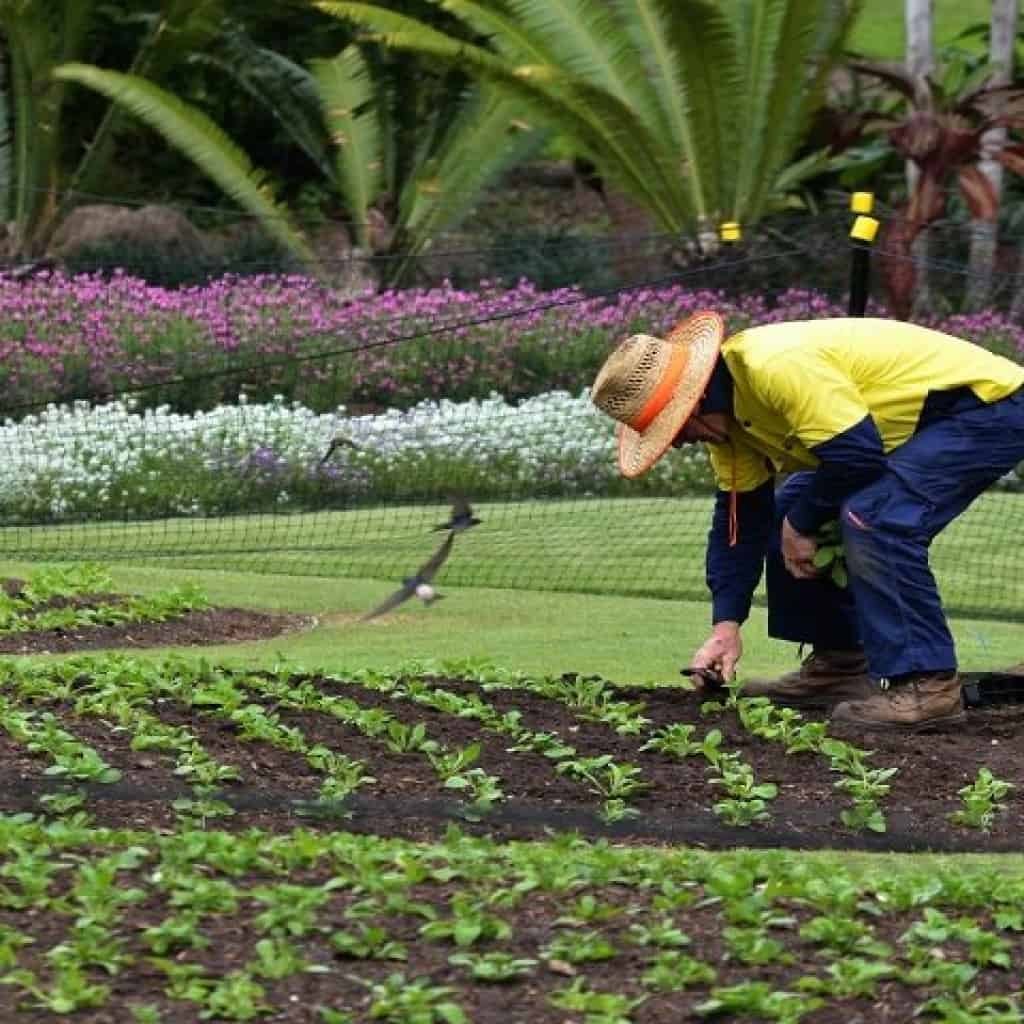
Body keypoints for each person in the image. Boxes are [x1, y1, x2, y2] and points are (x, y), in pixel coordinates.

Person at [590, 311, 1024, 731]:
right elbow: (739, 524)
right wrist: (726, 626)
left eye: (675, 431)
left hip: (986, 407)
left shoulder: (773, 367)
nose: (678, 444)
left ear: (695, 402)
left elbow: (856, 456)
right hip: (909, 431)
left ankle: (929, 686)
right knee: (787, 509)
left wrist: (800, 525)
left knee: (874, 519)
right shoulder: (729, 427)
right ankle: (841, 664)